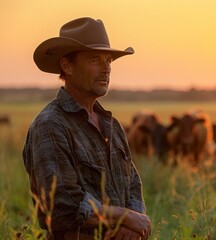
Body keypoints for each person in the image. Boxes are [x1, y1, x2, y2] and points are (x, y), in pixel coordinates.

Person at [23, 17, 151, 240]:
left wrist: (133, 227)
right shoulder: (50, 125)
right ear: (67, 66)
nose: (106, 69)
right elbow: (62, 207)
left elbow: (133, 187)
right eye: (95, 60)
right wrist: (124, 219)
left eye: (109, 60)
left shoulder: (113, 126)